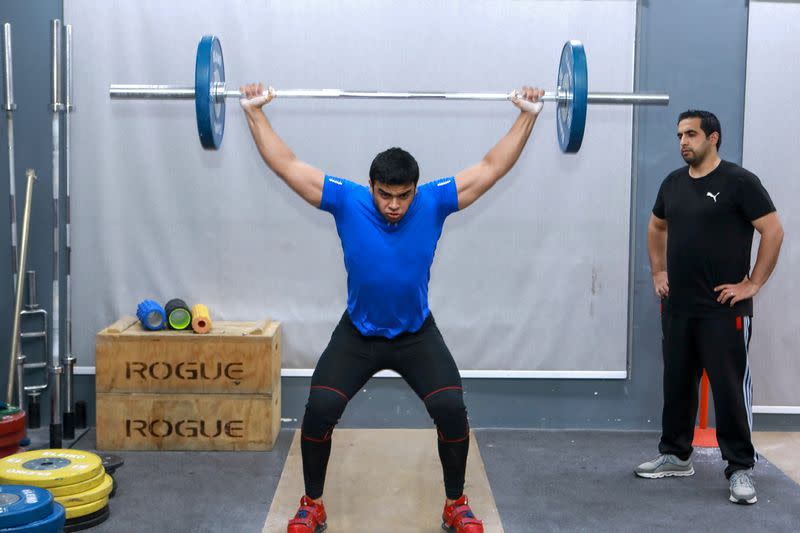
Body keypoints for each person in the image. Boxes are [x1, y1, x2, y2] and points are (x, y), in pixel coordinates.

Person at [239, 82, 544, 532]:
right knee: (319, 412)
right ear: (371, 186)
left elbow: (490, 167)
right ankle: (312, 503)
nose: (395, 205)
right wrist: (253, 111)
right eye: (385, 194)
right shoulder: (347, 199)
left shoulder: (436, 201)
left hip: (415, 334)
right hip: (358, 335)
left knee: (451, 413)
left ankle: (455, 503)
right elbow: (287, 165)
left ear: (416, 189)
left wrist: (529, 115)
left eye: (403, 196)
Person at [635, 110, 784, 505]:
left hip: (723, 310)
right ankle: (676, 455)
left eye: (692, 134)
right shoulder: (672, 184)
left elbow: (773, 230)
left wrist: (752, 283)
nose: (684, 141)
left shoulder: (739, 182)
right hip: (679, 307)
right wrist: (658, 271)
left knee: (730, 390)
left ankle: (740, 469)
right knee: (678, 385)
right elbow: (656, 226)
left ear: (713, 138)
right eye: (680, 135)